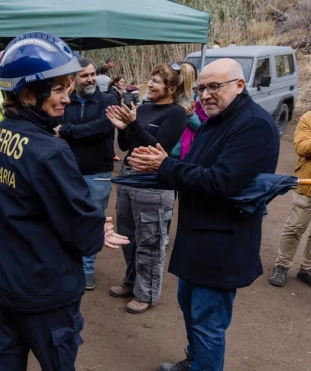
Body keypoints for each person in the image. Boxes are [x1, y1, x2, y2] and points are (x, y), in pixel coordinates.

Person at [0, 31, 128, 370]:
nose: (67, 98)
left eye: (68, 88)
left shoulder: (0, 136)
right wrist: (94, 228)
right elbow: (82, 232)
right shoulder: (50, 151)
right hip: (43, 295)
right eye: (58, 89)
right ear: (28, 94)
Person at [127, 58, 279, 371]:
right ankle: (194, 361)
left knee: (209, 322)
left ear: (239, 85)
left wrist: (164, 166)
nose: (205, 95)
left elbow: (222, 181)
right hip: (198, 237)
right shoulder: (217, 118)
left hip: (222, 243)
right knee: (191, 309)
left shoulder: (253, 124)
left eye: (214, 87)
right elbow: (194, 165)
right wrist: (155, 167)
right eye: (201, 89)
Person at [106, 63, 187, 314]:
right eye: (150, 79)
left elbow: (158, 148)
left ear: (171, 88)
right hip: (130, 175)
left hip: (153, 179)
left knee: (150, 238)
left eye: (156, 81)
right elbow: (127, 145)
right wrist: (123, 128)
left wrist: (134, 124)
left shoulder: (177, 113)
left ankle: (147, 293)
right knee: (127, 234)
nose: (149, 84)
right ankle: (130, 282)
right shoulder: (142, 108)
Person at [54, 57, 119, 290]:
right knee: (65, 217)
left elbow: (103, 127)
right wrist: (62, 130)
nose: (91, 78)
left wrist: (67, 130)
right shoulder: (66, 101)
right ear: (73, 79)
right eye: (85, 75)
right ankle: (68, 264)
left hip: (98, 173)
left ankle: (87, 268)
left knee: (93, 220)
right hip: (67, 172)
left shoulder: (108, 100)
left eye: (92, 74)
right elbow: (53, 126)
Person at [269, 111, 311, 287]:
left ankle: (306, 268)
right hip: (308, 185)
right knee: (294, 227)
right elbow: (301, 147)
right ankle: (282, 266)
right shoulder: (308, 118)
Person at [170, 62, 202, 161]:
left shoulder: (198, 97)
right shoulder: (168, 95)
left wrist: (190, 116)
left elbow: (203, 129)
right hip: (166, 147)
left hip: (183, 150)